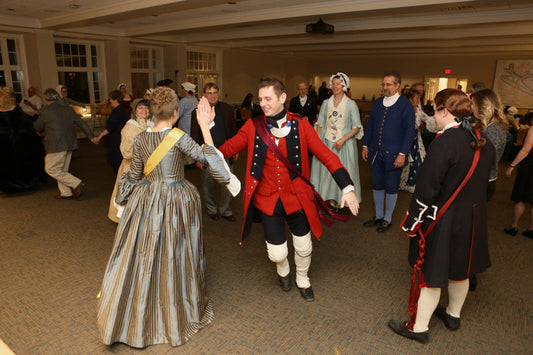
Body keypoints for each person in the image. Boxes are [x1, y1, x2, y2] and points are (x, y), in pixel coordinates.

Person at [97, 88, 230, 348]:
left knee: (147, 252)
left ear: (154, 110)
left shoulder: (141, 138)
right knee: (174, 251)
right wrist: (204, 126)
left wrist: (122, 199)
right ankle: (173, 308)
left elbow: (134, 175)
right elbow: (215, 166)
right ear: (176, 111)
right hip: (176, 200)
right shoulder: (178, 136)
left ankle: (138, 314)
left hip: (146, 199)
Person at [215, 78, 360, 302]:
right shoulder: (253, 126)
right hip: (267, 199)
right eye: (260, 98)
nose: (262, 103)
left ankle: (302, 278)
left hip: (298, 198)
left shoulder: (301, 125)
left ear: (282, 98)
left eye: (268, 98)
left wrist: (347, 186)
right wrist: (207, 128)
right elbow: (225, 149)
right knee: (277, 253)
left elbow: (327, 155)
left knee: (303, 247)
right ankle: (283, 271)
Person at [388, 88, 494, 344]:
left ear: (444, 111)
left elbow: (427, 189)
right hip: (474, 217)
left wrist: (412, 222)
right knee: (461, 270)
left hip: (443, 219)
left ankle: (419, 329)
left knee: (432, 275)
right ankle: (453, 315)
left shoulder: (444, 142)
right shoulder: (484, 140)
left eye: (433, 110)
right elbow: (490, 186)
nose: (431, 116)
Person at [362, 71, 416, 232]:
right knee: (377, 184)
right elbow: (370, 126)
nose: (385, 87)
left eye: (388, 84)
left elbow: (409, 132)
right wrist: (365, 145)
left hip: (394, 155)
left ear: (397, 85)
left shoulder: (405, 105)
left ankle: (387, 219)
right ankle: (378, 216)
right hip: (376, 153)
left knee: (391, 187)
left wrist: (402, 153)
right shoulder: (378, 103)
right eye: (383, 84)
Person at [310, 72, 363, 210]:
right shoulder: (326, 103)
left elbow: (356, 127)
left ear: (344, 86)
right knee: (326, 171)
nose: (335, 86)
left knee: (342, 171)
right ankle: (327, 199)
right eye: (333, 84)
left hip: (344, 145)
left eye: (338, 84)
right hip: (326, 142)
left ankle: (342, 200)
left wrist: (342, 140)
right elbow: (320, 123)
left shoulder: (351, 104)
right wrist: (316, 142)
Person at [34, 88, 97, 199]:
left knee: (51, 169)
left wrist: (41, 131)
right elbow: (81, 124)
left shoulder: (45, 111)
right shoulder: (68, 109)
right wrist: (91, 137)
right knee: (62, 170)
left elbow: (38, 127)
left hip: (56, 144)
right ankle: (66, 193)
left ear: (46, 99)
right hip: (70, 143)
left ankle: (76, 183)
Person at [191, 83, 237, 222]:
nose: (213, 95)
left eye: (215, 92)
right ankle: (211, 209)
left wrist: (235, 148)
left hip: (226, 151)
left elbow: (233, 130)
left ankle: (225, 210)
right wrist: (197, 157)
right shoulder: (197, 111)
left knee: (227, 183)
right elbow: (194, 135)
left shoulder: (227, 109)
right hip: (207, 154)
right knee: (208, 183)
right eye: (209, 93)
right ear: (204, 95)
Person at [107, 99, 154, 223]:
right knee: (132, 194)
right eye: (140, 108)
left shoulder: (151, 124)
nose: (144, 110)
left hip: (150, 166)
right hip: (133, 167)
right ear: (135, 111)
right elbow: (126, 152)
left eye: (146, 107)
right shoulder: (130, 127)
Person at [0, 86, 42, 193]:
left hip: (4, 141)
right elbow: (26, 124)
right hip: (19, 140)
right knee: (21, 160)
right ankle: (24, 183)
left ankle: (8, 184)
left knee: (6, 162)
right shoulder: (16, 109)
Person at [504, 112, 533, 239]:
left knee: (521, 197)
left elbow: (526, 149)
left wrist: (512, 165)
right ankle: (532, 229)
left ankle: (513, 226)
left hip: (530, 166)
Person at [93, 90, 129, 174]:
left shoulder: (118, 111)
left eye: (110, 99)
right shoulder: (118, 110)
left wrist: (99, 137)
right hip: (116, 139)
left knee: (118, 166)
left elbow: (110, 127)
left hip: (117, 140)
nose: (110, 101)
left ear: (115, 99)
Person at [399, 88, 428, 193]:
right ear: (410, 99)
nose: (418, 100)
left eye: (419, 98)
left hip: (416, 139)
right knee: (405, 162)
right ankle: (402, 183)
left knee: (419, 160)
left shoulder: (419, 110)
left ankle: (413, 182)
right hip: (407, 140)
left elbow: (427, 119)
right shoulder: (405, 110)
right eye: (417, 98)